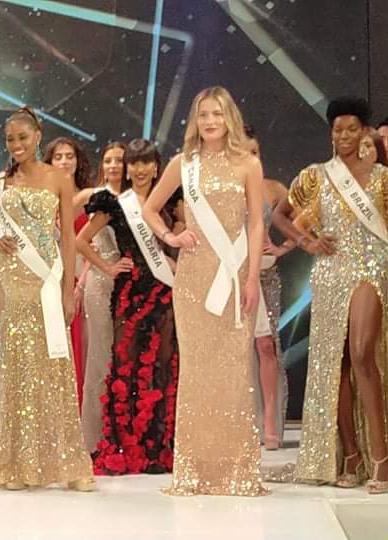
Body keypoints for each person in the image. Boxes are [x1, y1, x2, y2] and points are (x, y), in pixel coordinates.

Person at [0, 107, 93, 491]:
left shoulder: (59, 178)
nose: (16, 145)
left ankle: (68, 464)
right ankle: (15, 463)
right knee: (14, 368)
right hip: (10, 284)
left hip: (46, 280)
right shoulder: (0, 182)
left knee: (54, 367)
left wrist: (67, 291)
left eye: (23, 137)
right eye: (10, 139)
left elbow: (68, 239)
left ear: (37, 136)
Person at [143, 86, 268, 497]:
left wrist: (252, 277)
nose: (210, 122)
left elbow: (256, 223)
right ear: (195, 121)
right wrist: (170, 237)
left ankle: (235, 469)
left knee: (233, 372)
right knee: (197, 372)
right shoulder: (184, 163)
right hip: (195, 279)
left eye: (216, 114)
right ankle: (195, 470)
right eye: (203, 115)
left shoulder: (248, 163)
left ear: (229, 117)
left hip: (234, 276)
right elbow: (149, 208)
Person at [273, 96, 388, 494]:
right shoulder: (316, 176)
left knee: (362, 352)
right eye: (338, 129)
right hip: (330, 273)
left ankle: (381, 457)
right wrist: (307, 242)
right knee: (336, 363)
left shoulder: (382, 178)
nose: (344, 136)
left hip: (372, 269)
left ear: (365, 132)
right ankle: (351, 457)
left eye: (352, 129)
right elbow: (279, 215)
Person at [76, 139, 179, 475]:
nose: (140, 169)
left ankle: (157, 448)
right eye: (134, 163)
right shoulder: (116, 204)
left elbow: (183, 236)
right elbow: (80, 240)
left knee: (162, 366)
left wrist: (176, 260)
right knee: (125, 366)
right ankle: (124, 446)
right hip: (129, 292)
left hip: (163, 290)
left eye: (146, 162)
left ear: (156, 166)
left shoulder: (168, 200)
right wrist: (108, 267)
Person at [244, 126, 295, 450]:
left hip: (265, 276)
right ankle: (245, 420)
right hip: (233, 275)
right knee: (239, 349)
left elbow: (302, 219)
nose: (251, 158)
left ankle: (271, 422)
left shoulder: (273, 188)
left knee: (267, 345)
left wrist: (283, 247)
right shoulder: (224, 190)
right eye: (244, 153)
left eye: (255, 152)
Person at [75, 142, 124, 452]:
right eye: (108, 161)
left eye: (119, 160)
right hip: (101, 281)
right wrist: (104, 266)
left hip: (129, 284)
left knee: (123, 358)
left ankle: (121, 433)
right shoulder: (95, 197)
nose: (113, 166)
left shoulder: (136, 197)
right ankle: (94, 437)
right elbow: (75, 238)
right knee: (100, 356)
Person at [42, 136, 93, 403]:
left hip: (83, 283)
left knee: (82, 349)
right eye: (58, 157)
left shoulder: (88, 198)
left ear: (78, 161)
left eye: (69, 156)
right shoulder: (42, 201)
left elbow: (97, 246)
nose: (64, 161)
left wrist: (82, 283)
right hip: (52, 283)